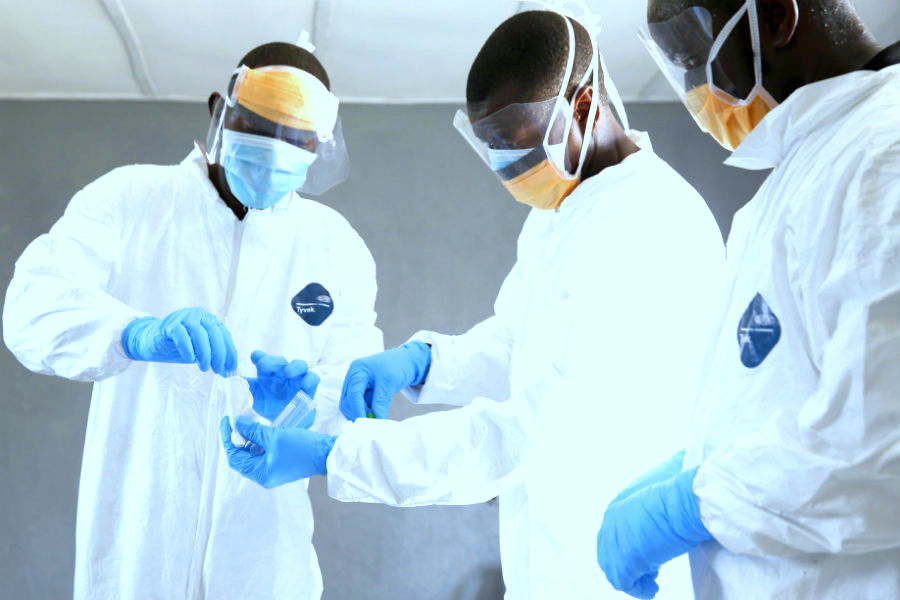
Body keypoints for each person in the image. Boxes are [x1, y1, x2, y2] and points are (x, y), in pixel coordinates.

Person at [221, 8, 725, 598]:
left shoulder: (650, 223)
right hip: (548, 570)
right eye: (492, 146)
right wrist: (424, 363)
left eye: (515, 140)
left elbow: (530, 433)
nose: (507, 163)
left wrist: (339, 455)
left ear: (583, 107)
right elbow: (517, 342)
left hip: (618, 579)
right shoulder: (560, 213)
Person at [2, 39, 383, 599]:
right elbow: (31, 308)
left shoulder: (336, 248)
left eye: (298, 139)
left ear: (317, 145)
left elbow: (352, 396)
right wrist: (133, 334)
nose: (276, 154)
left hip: (264, 567)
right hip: (136, 556)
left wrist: (298, 412)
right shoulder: (132, 200)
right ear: (219, 112)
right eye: (261, 129)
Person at [595, 0, 900, 598]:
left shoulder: (881, 154)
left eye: (695, 56)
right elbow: (790, 392)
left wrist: (697, 500)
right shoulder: (807, 171)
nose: (694, 86)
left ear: (778, 19)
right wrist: (707, 457)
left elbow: (881, 448)